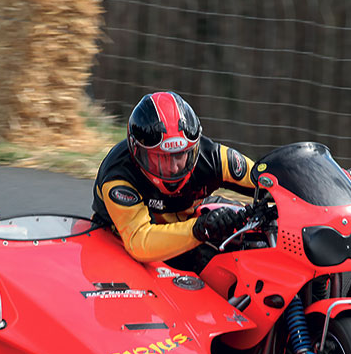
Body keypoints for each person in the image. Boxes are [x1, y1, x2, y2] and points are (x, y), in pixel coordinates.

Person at [91, 91, 258, 270]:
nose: (174, 168)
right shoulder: (119, 175)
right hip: (122, 241)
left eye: (179, 155)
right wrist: (199, 229)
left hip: (186, 219)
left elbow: (265, 178)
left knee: (251, 232)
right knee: (207, 262)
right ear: (138, 152)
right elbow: (140, 242)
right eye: (161, 158)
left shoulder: (212, 157)